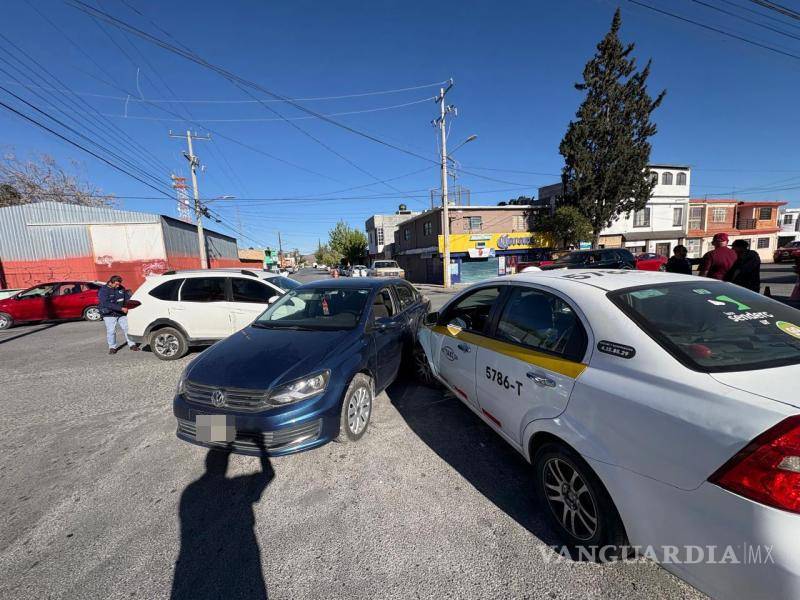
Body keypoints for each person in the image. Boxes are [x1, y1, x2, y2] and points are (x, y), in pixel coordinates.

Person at [98, 275, 139, 354]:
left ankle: (132, 344)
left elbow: (127, 298)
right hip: (109, 314)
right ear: (111, 282)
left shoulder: (121, 288)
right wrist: (121, 308)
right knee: (111, 331)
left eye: (119, 284)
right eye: (116, 284)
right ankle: (112, 347)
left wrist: (130, 305)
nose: (118, 286)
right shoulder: (103, 290)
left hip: (121, 314)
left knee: (127, 328)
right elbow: (106, 303)